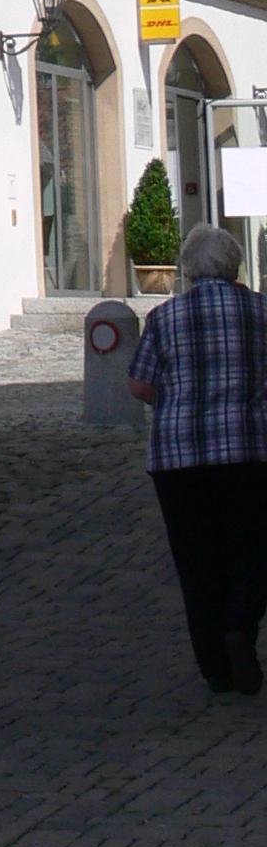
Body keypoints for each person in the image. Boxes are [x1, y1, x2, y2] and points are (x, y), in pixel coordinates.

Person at [127, 225, 267, 696]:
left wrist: (176, 401)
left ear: (187, 270)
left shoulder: (165, 318)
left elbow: (140, 385)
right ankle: (239, 630)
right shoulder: (261, 312)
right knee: (253, 550)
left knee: (197, 560)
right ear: (235, 268)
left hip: (179, 457)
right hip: (249, 450)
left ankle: (215, 668)